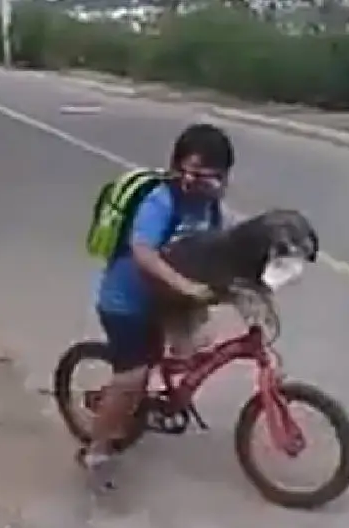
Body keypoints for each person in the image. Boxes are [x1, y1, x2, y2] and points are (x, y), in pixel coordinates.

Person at [81, 123, 234, 491]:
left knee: (199, 343)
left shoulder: (209, 206)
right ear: (177, 166)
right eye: (193, 170)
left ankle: (159, 396)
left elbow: (215, 249)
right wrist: (186, 286)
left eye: (211, 174)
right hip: (126, 301)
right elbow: (143, 252)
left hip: (167, 297)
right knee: (131, 379)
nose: (200, 180)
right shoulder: (160, 200)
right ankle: (96, 449)